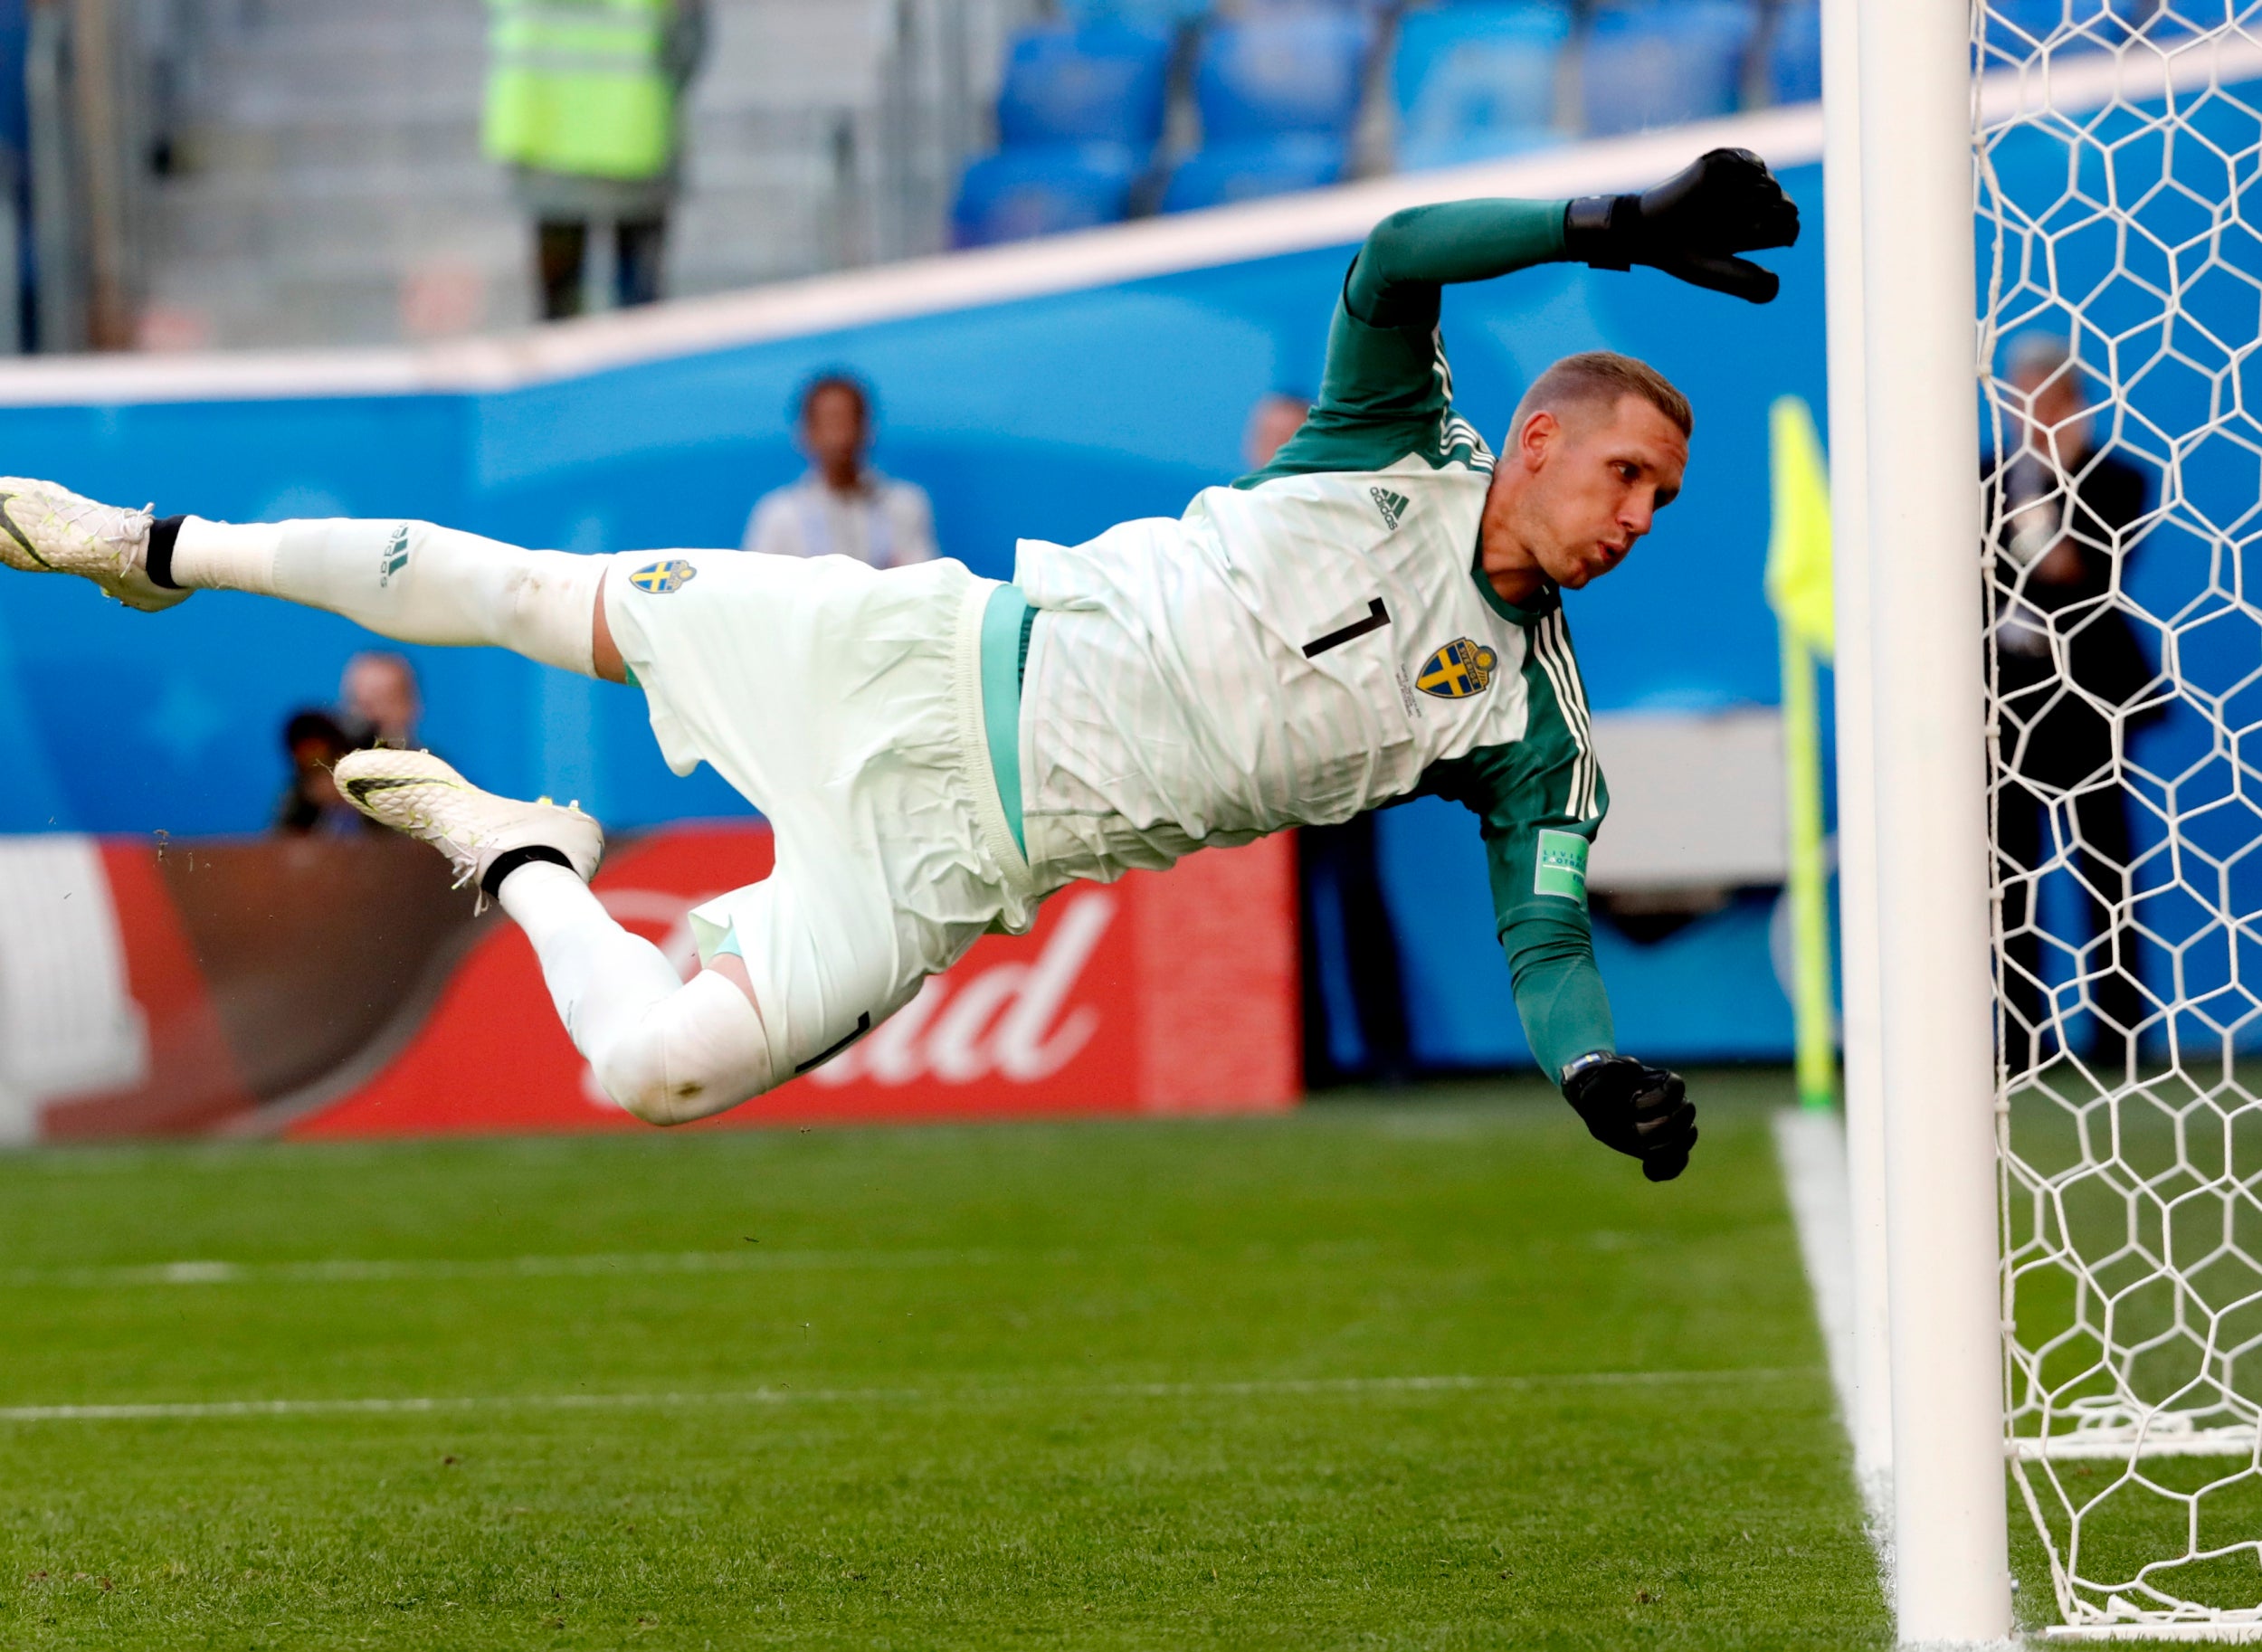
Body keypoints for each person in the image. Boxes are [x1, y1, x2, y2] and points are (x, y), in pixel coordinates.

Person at [0, 148, 1799, 1181]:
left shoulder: (1524, 725)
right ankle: (154, 545)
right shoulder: (1386, 445)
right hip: (907, 657)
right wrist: (1606, 224)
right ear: (1539, 442)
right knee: (523, 593)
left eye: (1663, 495)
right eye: (1627, 472)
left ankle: (520, 852)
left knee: (651, 1074)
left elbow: (1543, 929)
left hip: (954, 866)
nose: (1637, 513)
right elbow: (1390, 252)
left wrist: (1584, 1069)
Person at [1987, 337, 2156, 1078]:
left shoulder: (2118, 480)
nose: (2032, 414)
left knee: (2105, 868)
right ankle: (2023, 1038)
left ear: (2075, 404)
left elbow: (2076, 572)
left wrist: (2048, 486)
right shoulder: (1977, 478)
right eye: (2020, 398)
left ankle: (2121, 1035)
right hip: (2006, 704)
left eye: (2048, 399)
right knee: (2009, 874)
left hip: (2092, 702)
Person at [1250, 391, 1415, 1087]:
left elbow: (1376, 626)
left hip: (1346, 738)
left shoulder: (1350, 527)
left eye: (1287, 436)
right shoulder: (1229, 527)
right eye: (1265, 437)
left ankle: (1388, 1052)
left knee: (1355, 896)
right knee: (1278, 904)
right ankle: (1301, 1057)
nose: (1274, 451)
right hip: (1263, 740)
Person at [482, 0, 708, 320]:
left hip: (544, 134)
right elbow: (688, 36)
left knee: (561, 320)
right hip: (633, 134)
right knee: (637, 323)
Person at [744, 373, 938, 568]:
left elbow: (920, 583)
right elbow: (761, 589)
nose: (839, 437)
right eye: (828, 423)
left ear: (867, 428)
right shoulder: (778, 515)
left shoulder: (905, 505)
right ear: (806, 432)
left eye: (847, 421)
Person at [273, 709, 372, 837]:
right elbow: (279, 843)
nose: (324, 783)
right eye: (313, 772)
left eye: (331, 764)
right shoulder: (296, 803)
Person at [340, 650, 423, 751]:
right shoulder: (330, 758)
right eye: (357, 703)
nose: (368, 717)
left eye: (380, 702)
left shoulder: (432, 765)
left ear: (409, 706)